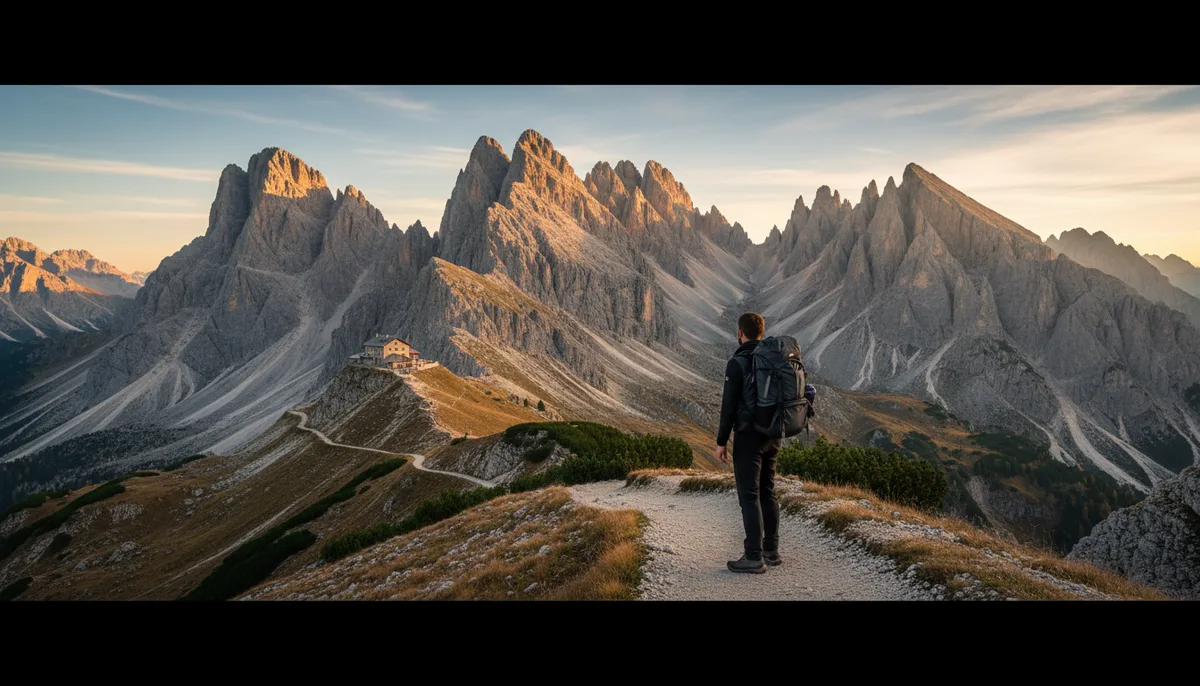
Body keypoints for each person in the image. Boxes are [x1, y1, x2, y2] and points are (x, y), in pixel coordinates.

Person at [715, 312, 782, 574]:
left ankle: (753, 556)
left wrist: (722, 442)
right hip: (773, 436)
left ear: (740, 333)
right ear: (761, 333)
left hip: (748, 438)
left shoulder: (738, 362)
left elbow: (728, 407)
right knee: (768, 491)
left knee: (749, 495)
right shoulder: (773, 359)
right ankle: (771, 551)